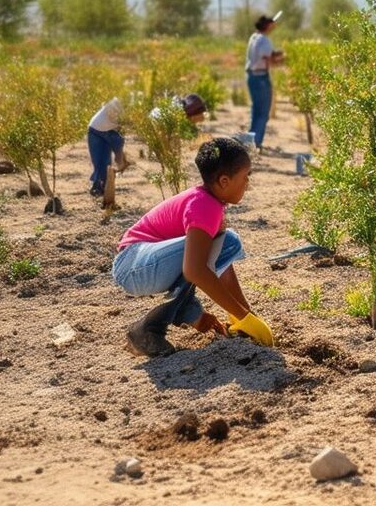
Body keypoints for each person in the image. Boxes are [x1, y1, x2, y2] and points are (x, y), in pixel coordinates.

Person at [112, 137, 274, 357]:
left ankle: (158, 326)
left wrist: (244, 315)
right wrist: (244, 318)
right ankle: (149, 329)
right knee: (226, 243)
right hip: (133, 266)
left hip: (143, 264)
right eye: (246, 176)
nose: (248, 183)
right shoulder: (205, 206)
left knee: (223, 244)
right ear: (224, 181)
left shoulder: (209, 203)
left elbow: (219, 265)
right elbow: (194, 270)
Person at [245, 14, 284, 151]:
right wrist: (279, 61)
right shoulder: (265, 40)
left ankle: (250, 142)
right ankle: (256, 143)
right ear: (267, 26)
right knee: (262, 113)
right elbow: (267, 59)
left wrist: (274, 55)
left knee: (256, 111)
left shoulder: (254, 37)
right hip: (261, 77)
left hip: (251, 77)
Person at [86, 97, 131, 197]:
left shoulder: (128, 105)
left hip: (109, 131)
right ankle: (98, 186)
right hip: (95, 129)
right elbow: (112, 113)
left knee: (106, 161)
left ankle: (106, 183)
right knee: (98, 161)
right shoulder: (116, 100)